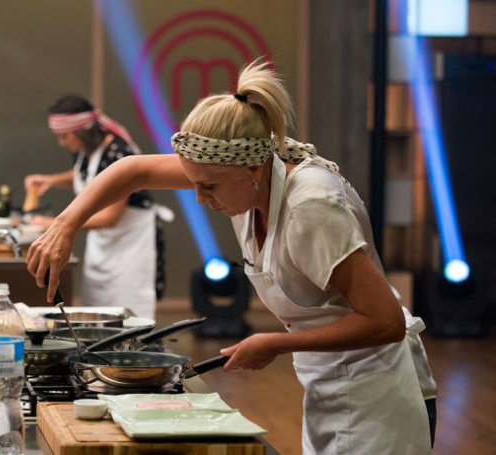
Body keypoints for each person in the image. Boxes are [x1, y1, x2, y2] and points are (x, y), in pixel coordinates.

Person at [26, 61, 437, 454]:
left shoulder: (311, 205)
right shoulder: (238, 175)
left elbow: (384, 321)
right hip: (328, 378)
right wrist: (65, 224)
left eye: (209, 187)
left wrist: (277, 343)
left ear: (253, 170)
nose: (201, 199)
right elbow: (134, 170)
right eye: (194, 184)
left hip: (379, 390)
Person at [24, 95, 165, 318]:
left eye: (64, 136)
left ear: (82, 131)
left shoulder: (118, 152)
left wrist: (55, 225)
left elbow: (110, 216)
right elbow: (90, 178)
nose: (61, 143)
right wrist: (50, 180)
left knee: (126, 312)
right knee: (99, 308)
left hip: (129, 243)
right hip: (102, 244)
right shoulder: (86, 150)